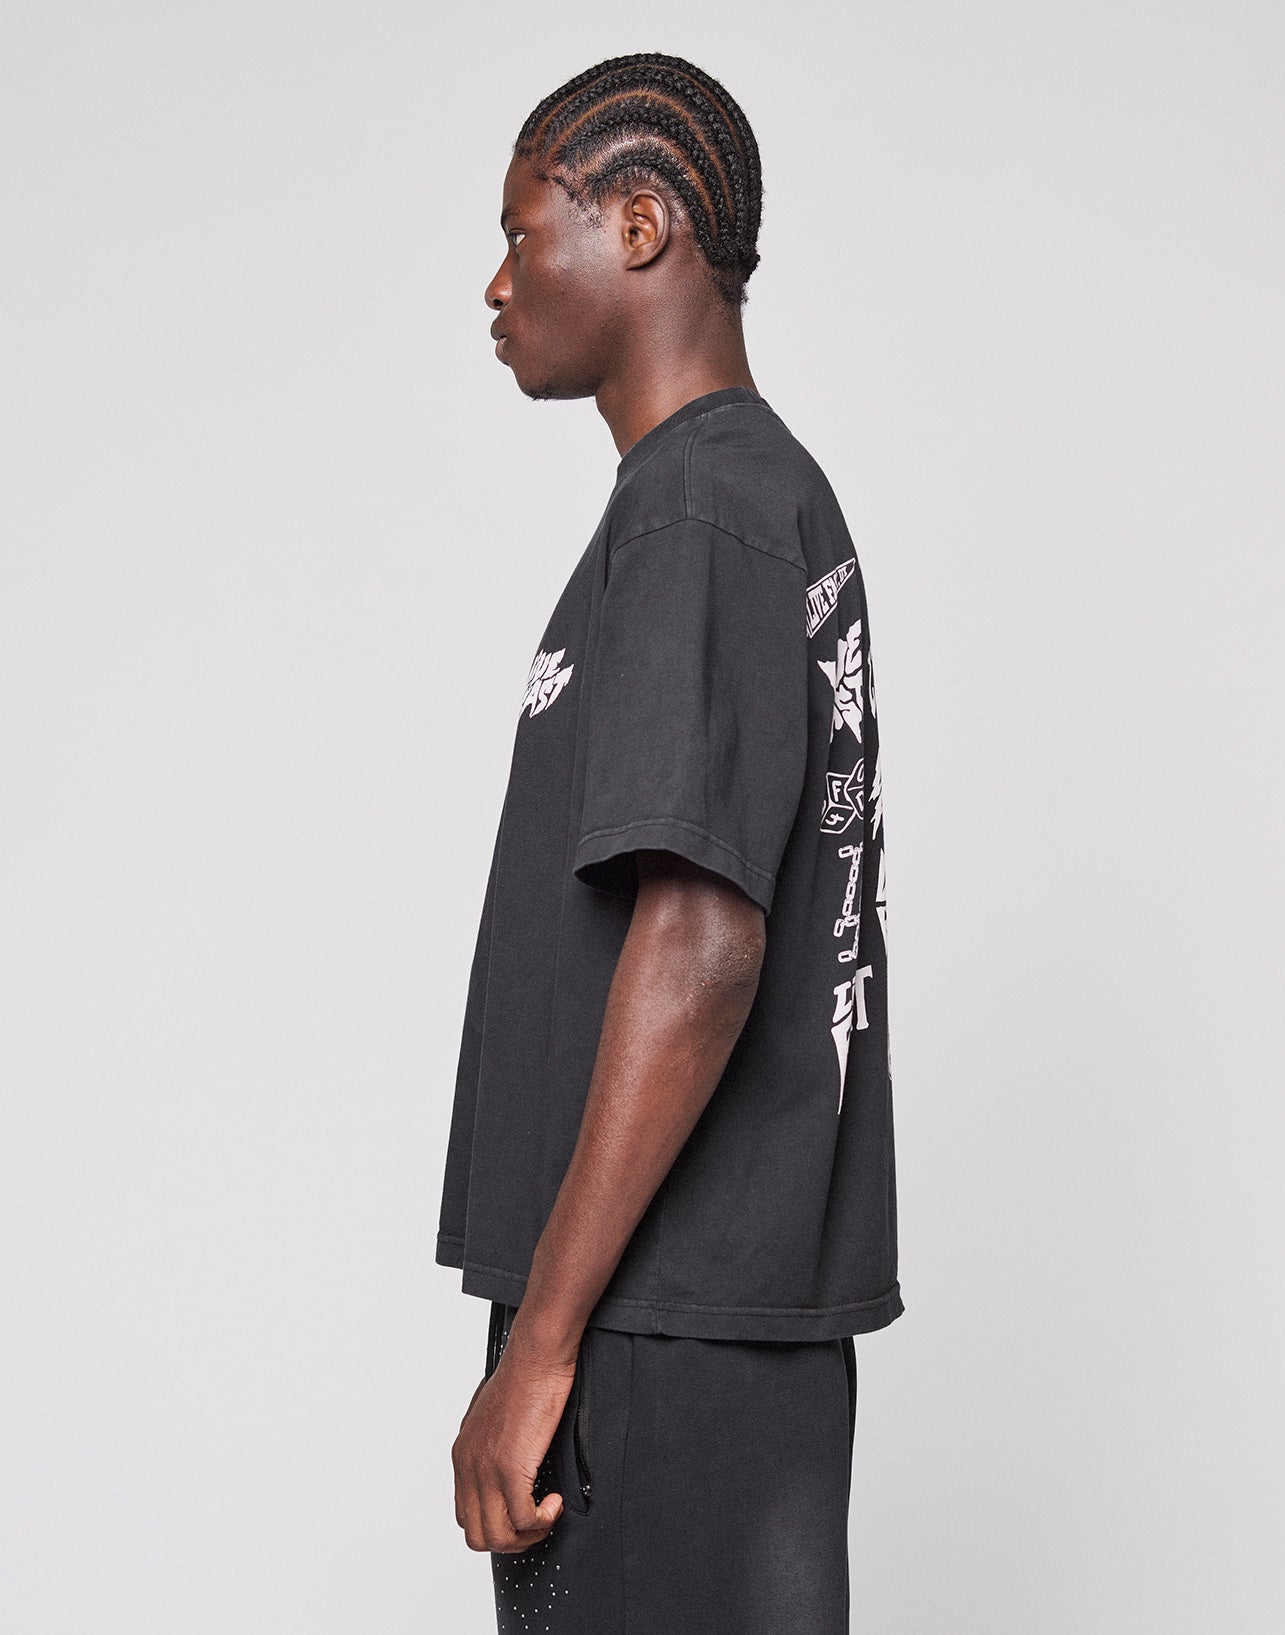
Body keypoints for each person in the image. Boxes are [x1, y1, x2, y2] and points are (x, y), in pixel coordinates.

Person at [435, 53, 902, 1633]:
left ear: (639, 226)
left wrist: (542, 1343)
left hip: (650, 1326)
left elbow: (702, 937)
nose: (495, 284)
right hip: (707, 1320)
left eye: (522, 232)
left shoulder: (696, 504)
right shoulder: (749, 500)